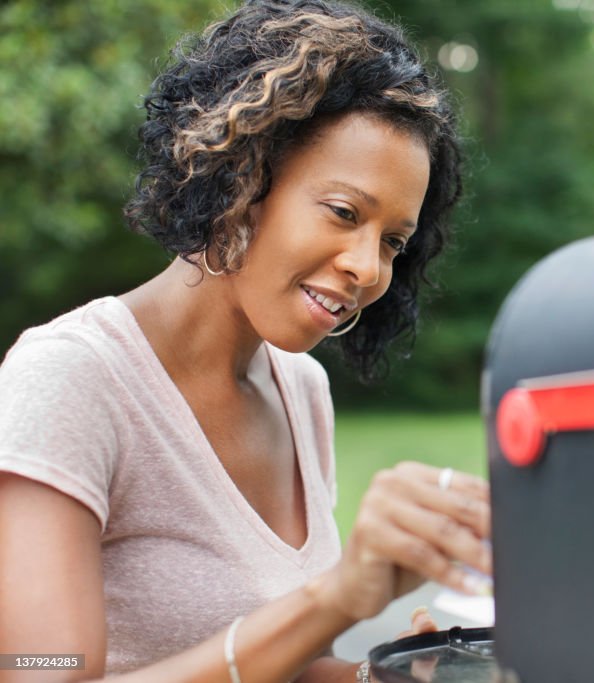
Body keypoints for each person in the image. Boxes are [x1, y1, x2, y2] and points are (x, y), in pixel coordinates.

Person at [0, 1, 491, 681]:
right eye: (344, 213)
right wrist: (336, 595)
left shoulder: (300, 388)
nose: (368, 267)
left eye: (392, 242)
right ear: (241, 177)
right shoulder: (68, 377)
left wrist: (384, 674)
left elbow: (292, 663)